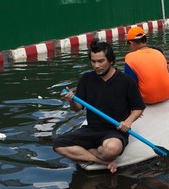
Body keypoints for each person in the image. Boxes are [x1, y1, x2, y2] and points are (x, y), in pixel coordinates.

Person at [53, 40, 145, 173]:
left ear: (111, 61)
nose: (96, 66)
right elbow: (78, 108)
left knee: (112, 149)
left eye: (101, 61)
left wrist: (128, 122)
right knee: (58, 145)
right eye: (93, 61)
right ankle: (101, 160)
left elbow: (138, 107)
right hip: (91, 129)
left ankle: (89, 152)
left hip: (115, 130)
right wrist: (71, 100)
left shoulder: (126, 81)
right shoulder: (86, 79)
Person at [123, 26, 169, 104]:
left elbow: (131, 85)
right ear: (145, 40)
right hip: (167, 95)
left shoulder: (130, 58)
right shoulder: (159, 53)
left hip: (147, 100)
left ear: (132, 43)